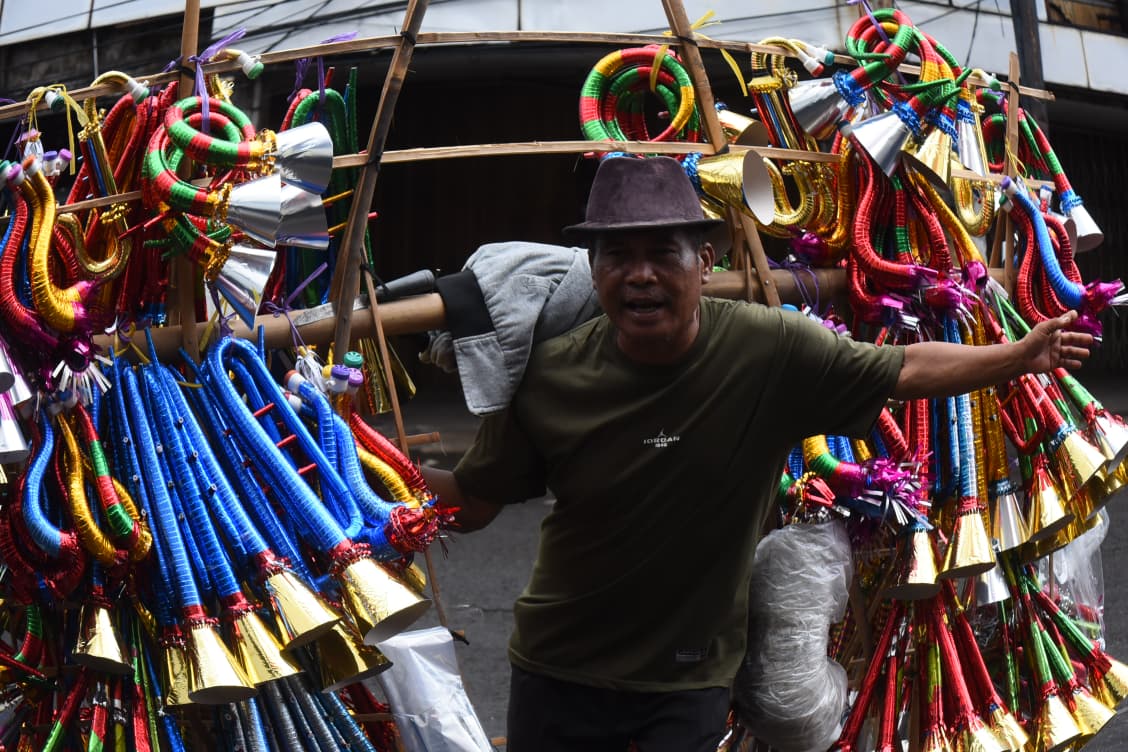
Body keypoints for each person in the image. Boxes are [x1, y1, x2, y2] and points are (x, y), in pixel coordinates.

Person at [420, 156, 1093, 751]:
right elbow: (477, 501)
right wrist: (368, 468)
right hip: (557, 667)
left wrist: (1019, 355)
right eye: (618, 256)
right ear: (593, 270)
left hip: (688, 678)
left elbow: (902, 366)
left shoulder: (768, 350)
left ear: (704, 260)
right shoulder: (551, 376)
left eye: (663, 253)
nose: (641, 275)